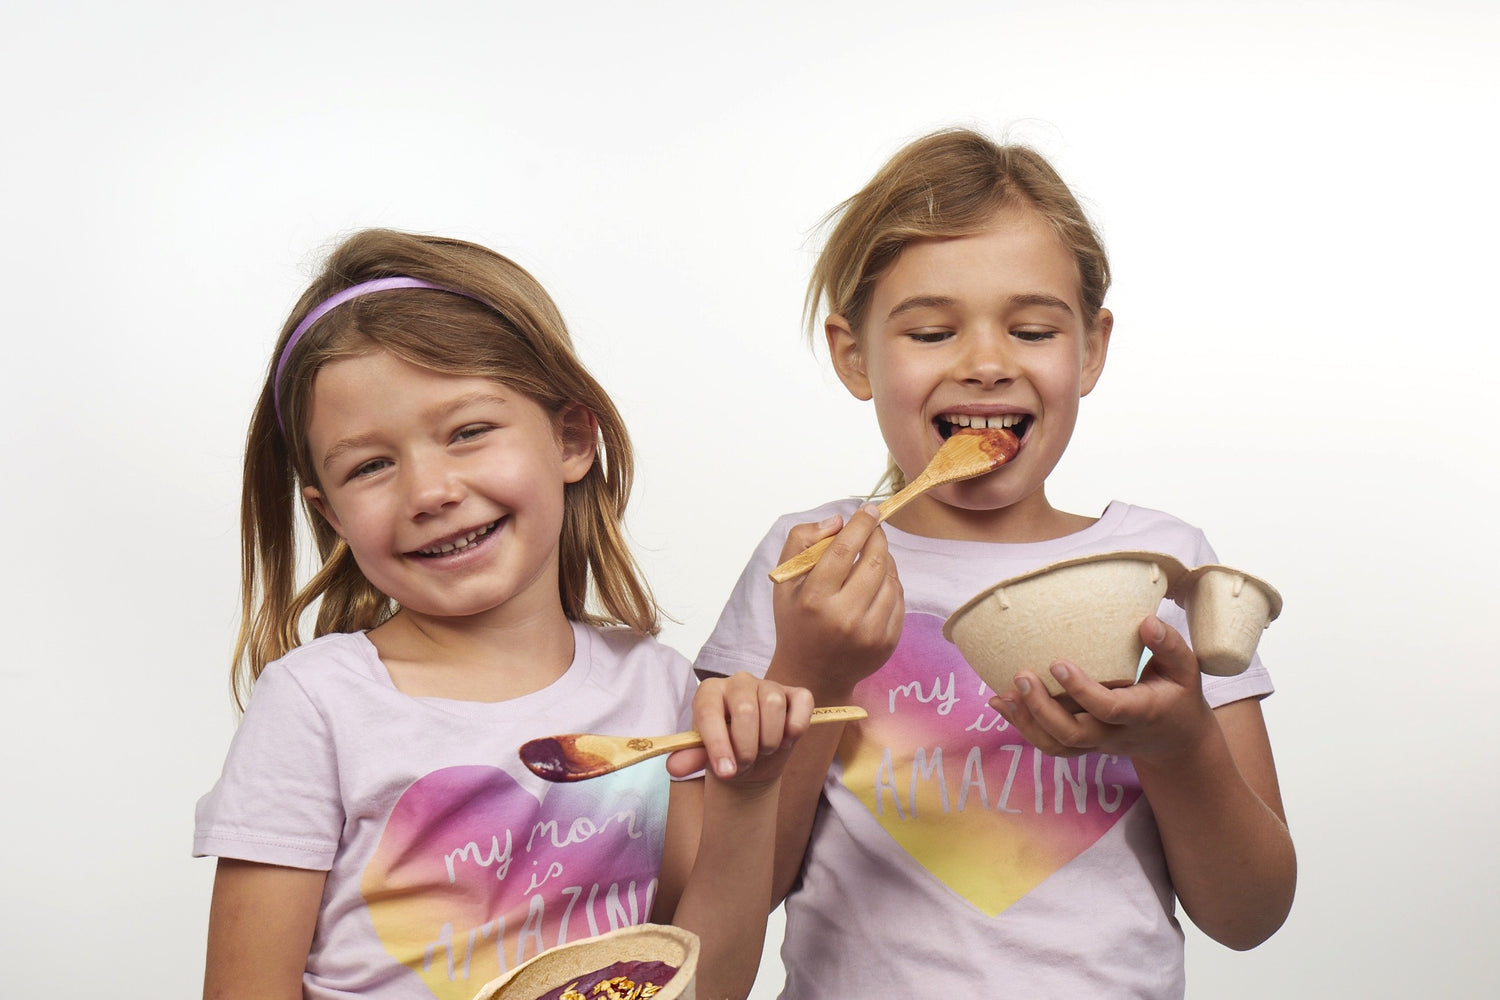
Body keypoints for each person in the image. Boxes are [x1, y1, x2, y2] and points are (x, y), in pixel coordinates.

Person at [695, 128, 1296, 997]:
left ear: (1090, 349)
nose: (985, 362)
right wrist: (811, 668)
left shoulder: (1166, 565)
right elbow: (738, 900)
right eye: (933, 331)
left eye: (1032, 328)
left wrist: (1181, 743)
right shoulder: (806, 571)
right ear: (853, 354)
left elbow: (1251, 915)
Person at [195, 229, 812, 1000]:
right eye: (371, 466)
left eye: (468, 432)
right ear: (333, 515)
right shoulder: (317, 704)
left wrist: (751, 794)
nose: (429, 491)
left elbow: (704, 986)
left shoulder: (655, 692)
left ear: (571, 438)